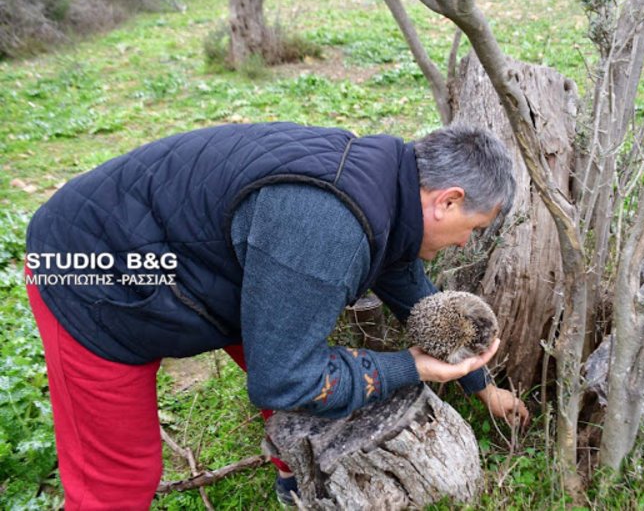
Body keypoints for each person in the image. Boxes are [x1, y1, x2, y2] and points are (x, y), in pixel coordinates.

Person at [25, 121, 530, 509]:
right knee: (120, 476)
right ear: (448, 200)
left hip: (186, 251)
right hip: (88, 267)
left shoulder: (387, 183)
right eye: (474, 227)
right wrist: (411, 368)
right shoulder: (324, 226)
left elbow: (410, 290)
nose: (468, 241)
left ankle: (295, 474)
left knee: (301, 362)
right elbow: (283, 381)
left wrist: (481, 384)